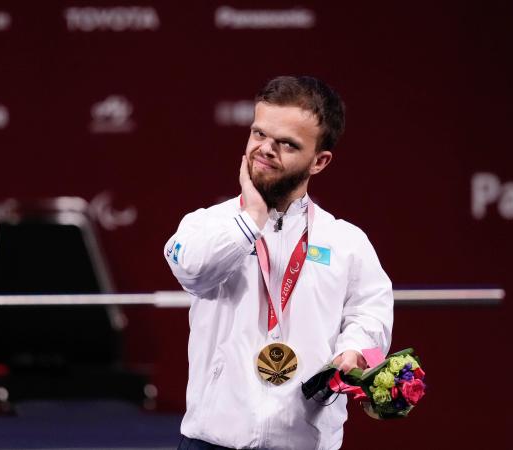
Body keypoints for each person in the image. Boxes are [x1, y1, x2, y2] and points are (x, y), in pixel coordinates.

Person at [164, 76, 394, 450]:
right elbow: (194, 273)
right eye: (259, 134)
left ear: (319, 161)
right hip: (211, 443)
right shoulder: (205, 224)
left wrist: (353, 350)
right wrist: (251, 218)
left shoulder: (347, 242)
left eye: (287, 143)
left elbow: (371, 316)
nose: (266, 149)